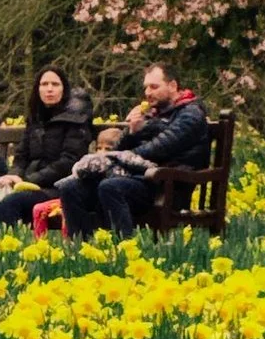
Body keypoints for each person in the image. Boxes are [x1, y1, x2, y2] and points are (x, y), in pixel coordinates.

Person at [50, 63, 213, 239]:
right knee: (70, 188)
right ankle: (82, 252)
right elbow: (119, 149)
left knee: (111, 187)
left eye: (154, 87)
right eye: (146, 87)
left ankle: (124, 250)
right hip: (138, 178)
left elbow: (161, 147)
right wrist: (132, 132)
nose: (148, 93)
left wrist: (125, 152)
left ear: (173, 86)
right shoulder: (153, 112)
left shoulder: (191, 114)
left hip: (166, 185)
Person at [0, 67, 98, 229]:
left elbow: (68, 162)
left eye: (55, 84)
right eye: (44, 84)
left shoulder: (76, 120)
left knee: (12, 202)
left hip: (57, 187)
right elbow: (21, 157)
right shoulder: (35, 118)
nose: (49, 89)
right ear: (37, 89)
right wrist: (12, 176)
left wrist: (27, 180)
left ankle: (14, 250)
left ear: (64, 89)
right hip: (27, 185)